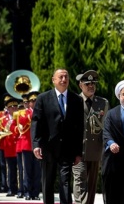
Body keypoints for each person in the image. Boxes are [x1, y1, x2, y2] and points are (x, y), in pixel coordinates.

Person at [31, 68, 85, 204]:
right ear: (53, 80)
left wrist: (79, 152)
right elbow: (36, 122)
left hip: (67, 150)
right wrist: (36, 145)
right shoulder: (43, 98)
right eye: (60, 77)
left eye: (66, 77)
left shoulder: (76, 100)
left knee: (65, 182)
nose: (63, 80)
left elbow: (79, 128)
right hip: (48, 148)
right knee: (48, 182)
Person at [73, 70, 109, 204]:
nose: (91, 86)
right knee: (80, 181)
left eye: (93, 83)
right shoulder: (74, 102)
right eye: (87, 84)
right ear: (80, 85)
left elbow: (106, 126)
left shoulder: (103, 103)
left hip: (95, 149)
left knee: (92, 185)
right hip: (78, 150)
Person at [16, 91, 41, 200]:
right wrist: (33, 113)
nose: (34, 102)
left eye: (36, 100)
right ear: (29, 103)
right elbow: (22, 121)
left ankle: (35, 193)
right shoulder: (23, 113)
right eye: (32, 101)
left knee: (37, 171)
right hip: (26, 145)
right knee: (27, 170)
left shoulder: (41, 112)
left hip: (38, 145)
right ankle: (27, 192)